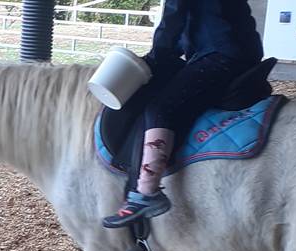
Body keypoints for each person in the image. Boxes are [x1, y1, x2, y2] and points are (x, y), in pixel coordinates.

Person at [102, 0, 264, 228]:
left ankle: (147, 192)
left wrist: (157, 55)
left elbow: (175, 13)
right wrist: (170, 51)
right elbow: (199, 17)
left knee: (161, 108)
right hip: (233, 50)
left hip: (220, 53)